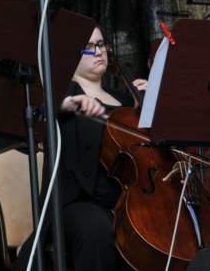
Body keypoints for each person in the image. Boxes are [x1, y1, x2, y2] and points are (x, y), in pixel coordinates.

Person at [54, 26, 146, 271]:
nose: (98, 52)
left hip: (128, 199)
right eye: (88, 47)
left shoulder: (125, 100)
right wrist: (68, 103)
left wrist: (147, 106)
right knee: (97, 232)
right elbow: (39, 110)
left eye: (101, 44)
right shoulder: (64, 93)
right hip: (80, 201)